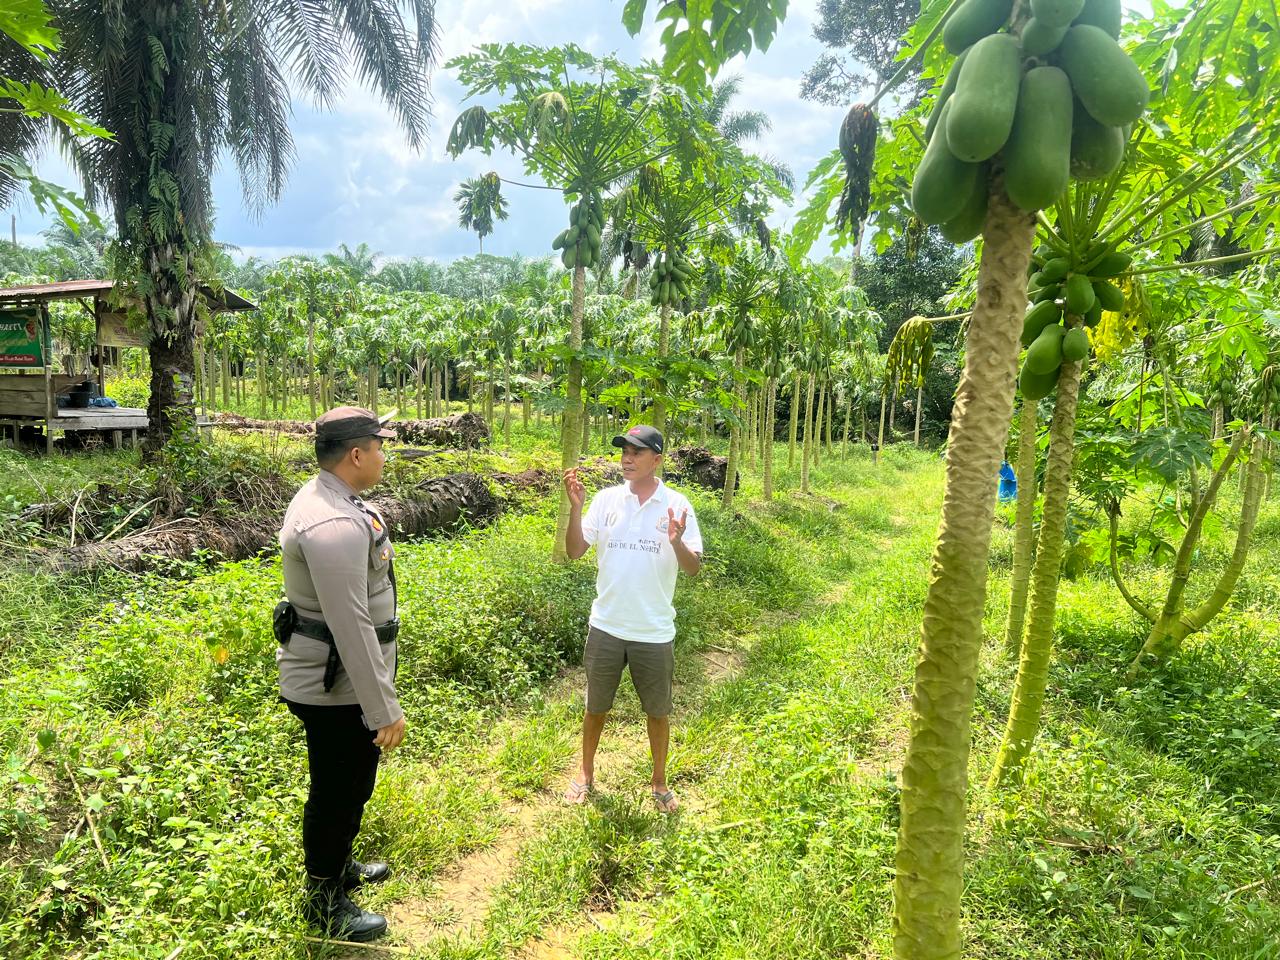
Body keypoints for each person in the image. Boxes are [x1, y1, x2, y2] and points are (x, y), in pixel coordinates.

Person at [275, 406, 405, 943]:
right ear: (356, 454)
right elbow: (351, 625)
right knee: (338, 789)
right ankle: (324, 898)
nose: (382, 453)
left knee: (353, 784)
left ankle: (339, 864)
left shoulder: (337, 500)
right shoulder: (331, 522)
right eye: (378, 445)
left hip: (343, 679)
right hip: (336, 687)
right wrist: (384, 708)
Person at [561, 425, 703, 813]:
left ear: (656, 460)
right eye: (624, 450)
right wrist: (576, 510)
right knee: (596, 706)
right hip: (606, 625)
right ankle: (585, 772)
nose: (627, 458)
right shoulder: (606, 500)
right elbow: (575, 551)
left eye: (637, 452)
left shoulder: (677, 504)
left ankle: (659, 782)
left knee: (658, 711)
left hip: (654, 630)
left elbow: (693, 568)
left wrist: (676, 542)